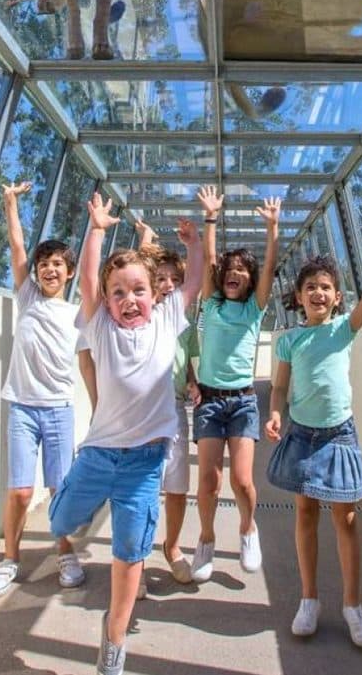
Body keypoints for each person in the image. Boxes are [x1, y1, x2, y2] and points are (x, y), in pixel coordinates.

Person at [49, 194, 203, 675]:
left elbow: (196, 282)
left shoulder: (167, 321)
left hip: (143, 464)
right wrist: (95, 230)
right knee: (61, 523)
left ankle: (114, 641)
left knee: (130, 552)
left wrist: (198, 240)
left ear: (156, 295)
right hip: (98, 457)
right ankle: (68, 516)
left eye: (138, 290)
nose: (128, 299)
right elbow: (91, 287)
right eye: (118, 292)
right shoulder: (100, 328)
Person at [264, 227, 362, 649]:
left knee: (345, 518)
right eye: (311, 288)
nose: (319, 293)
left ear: (337, 297)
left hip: (339, 435)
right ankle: (309, 601)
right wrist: (274, 414)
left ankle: (352, 606)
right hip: (302, 435)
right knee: (305, 514)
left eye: (326, 287)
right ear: (299, 297)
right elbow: (280, 388)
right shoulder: (289, 340)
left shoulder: (345, 329)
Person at [0, 181, 96, 598]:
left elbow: (86, 363)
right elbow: (15, 247)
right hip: (22, 409)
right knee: (20, 491)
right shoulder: (27, 298)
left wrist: (99, 408)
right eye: (44, 263)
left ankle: (65, 553)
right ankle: (10, 559)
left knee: (59, 490)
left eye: (58, 264)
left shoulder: (77, 315)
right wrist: (11, 203)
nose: (49, 269)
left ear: (68, 273)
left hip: (59, 410)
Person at [189, 184, 281, 583]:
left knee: (243, 481)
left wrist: (272, 230)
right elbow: (210, 258)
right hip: (209, 402)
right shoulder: (211, 303)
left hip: (243, 402)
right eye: (230, 270)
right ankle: (206, 539)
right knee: (208, 481)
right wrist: (211, 217)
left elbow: (271, 269)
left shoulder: (254, 310)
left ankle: (247, 529)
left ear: (249, 280)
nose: (234, 274)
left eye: (242, 271)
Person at [133, 220, 200, 596]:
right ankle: (136, 561)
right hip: (144, 410)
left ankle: (171, 548)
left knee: (176, 488)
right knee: (143, 488)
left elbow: (184, 357)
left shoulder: (183, 319)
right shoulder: (140, 315)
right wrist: (145, 242)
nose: (169, 284)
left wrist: (191, 379)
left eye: (175, 278)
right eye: (161, 278)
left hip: (174, 408)